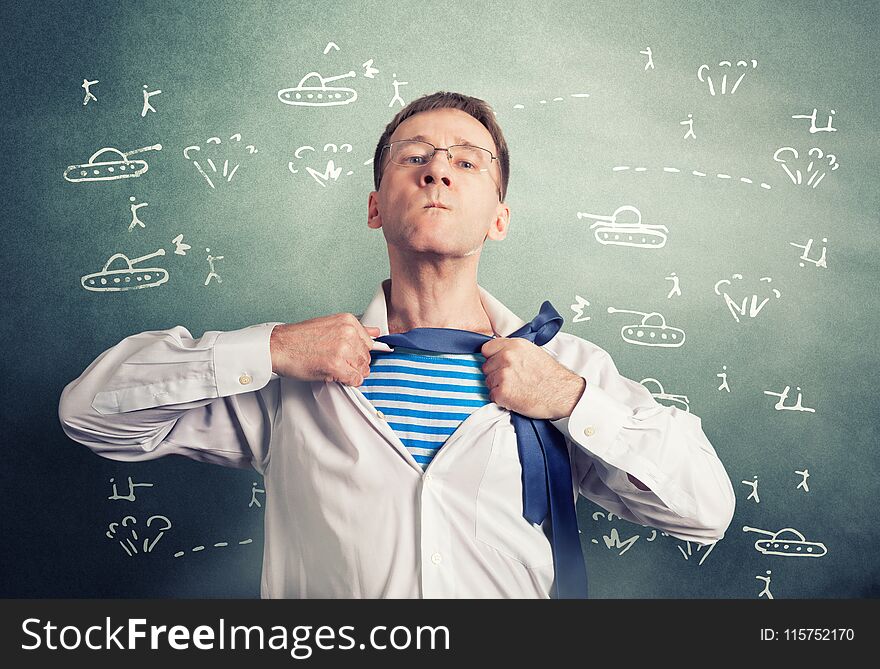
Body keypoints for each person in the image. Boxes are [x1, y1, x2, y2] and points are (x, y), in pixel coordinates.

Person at [59, 91, 736, 598]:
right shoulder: (293, 376)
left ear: (499, 219)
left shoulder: (566, 369)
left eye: (467, 161)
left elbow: (706, 508)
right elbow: (89, 411)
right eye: (414, 157)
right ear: (376, 204)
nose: (438, 171)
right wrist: (266, 349)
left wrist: (569, 398)